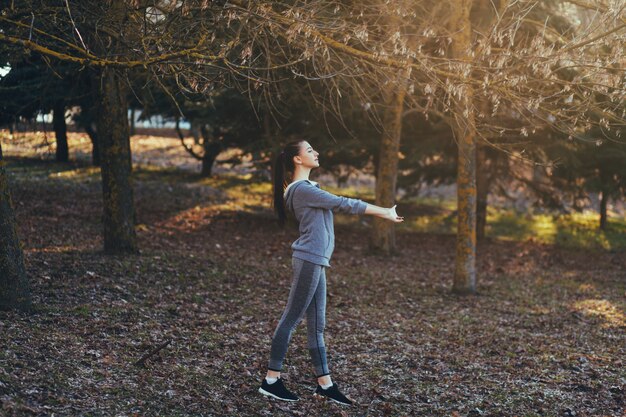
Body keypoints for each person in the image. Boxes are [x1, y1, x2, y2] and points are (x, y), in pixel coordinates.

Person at [258, 140, 404, 405]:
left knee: (317, 325)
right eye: (310, 150)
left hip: (317, 260)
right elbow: (342, 203)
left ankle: (324, 384)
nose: (317, 152)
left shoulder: (307, 189)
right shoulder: (301, 190)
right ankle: (271, 380)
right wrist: (384, 212)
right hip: (308, 259)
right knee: (291, 318)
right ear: (297, 160)